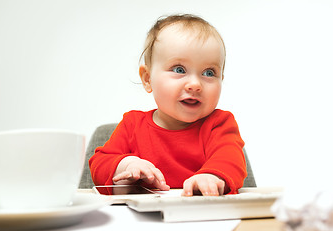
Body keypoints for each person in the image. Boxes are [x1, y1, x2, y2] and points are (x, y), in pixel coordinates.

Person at [89, 14, 247, 196]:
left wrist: (212, 176)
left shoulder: (220, 124)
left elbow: (231, 159)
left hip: (205, 214)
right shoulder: (132, 124)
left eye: (209, 72)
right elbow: (99, 164)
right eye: (179, 70)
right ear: (148, 79)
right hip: (145, 218)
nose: (195, 84)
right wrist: (127, 165)